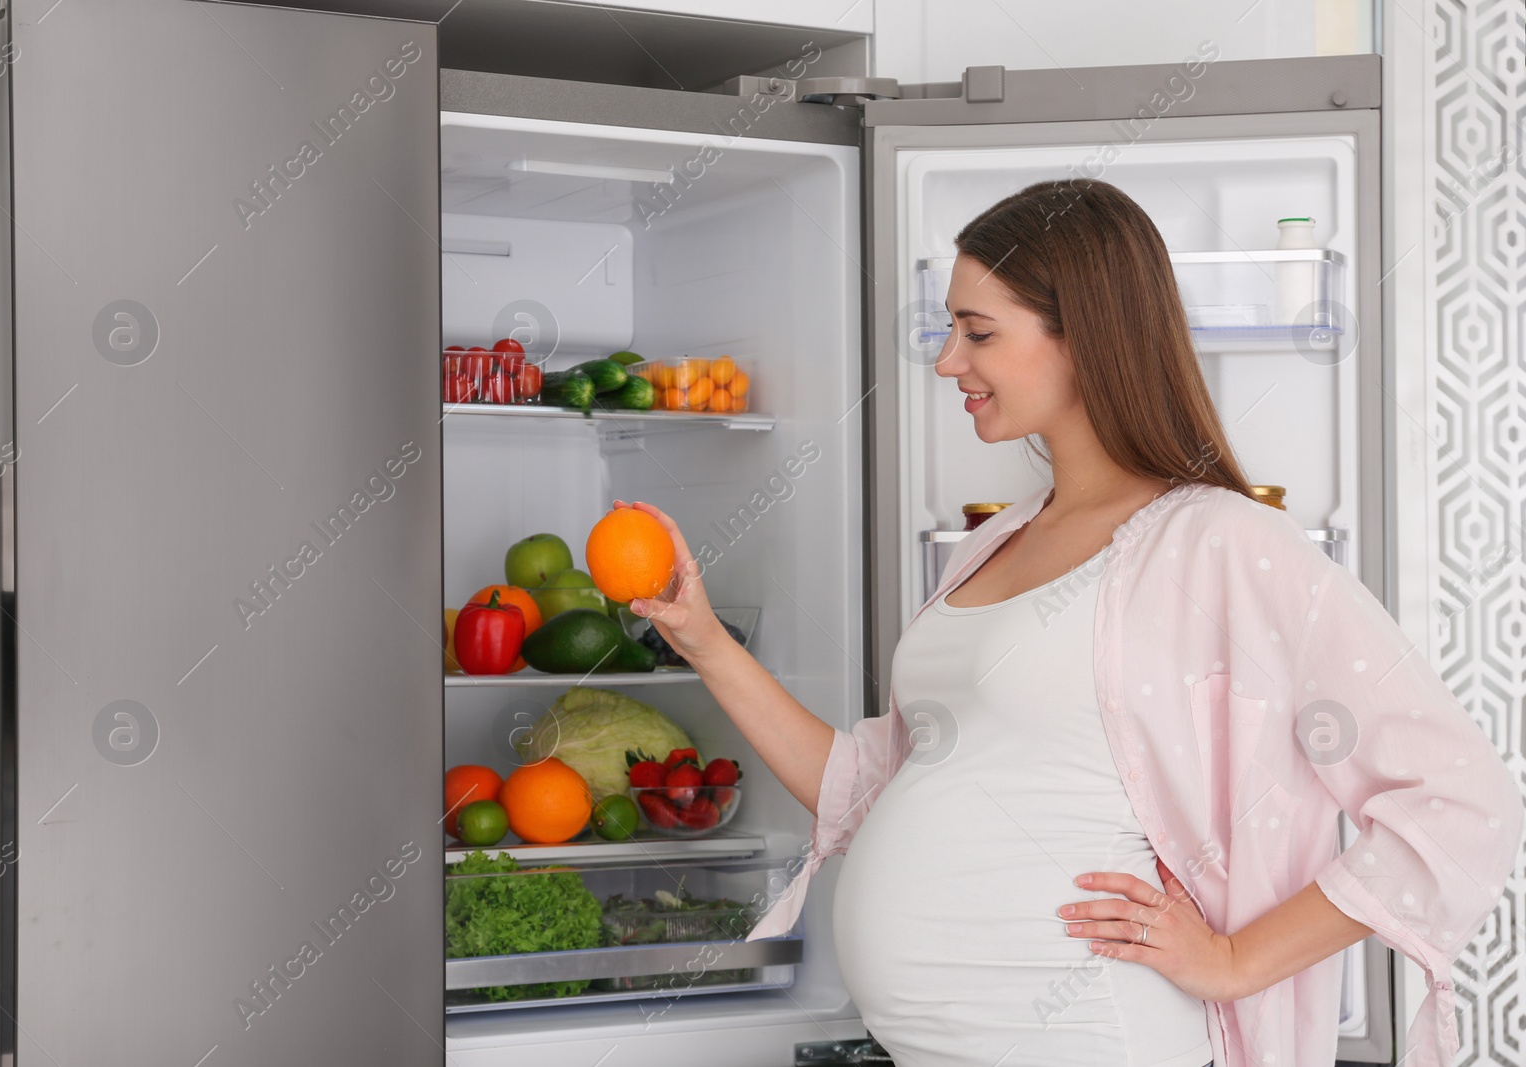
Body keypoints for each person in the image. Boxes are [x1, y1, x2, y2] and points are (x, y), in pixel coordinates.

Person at [612, 179, 1521, 1067]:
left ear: (1083, 338)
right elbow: (870, 793)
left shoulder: (1220, 542)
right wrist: (700, 638)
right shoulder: (994, 544)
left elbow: (1462, 801)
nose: (945, 362)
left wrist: (1236, 961)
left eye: (977, 333)